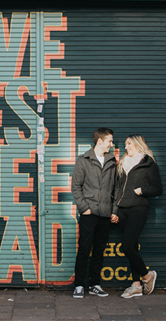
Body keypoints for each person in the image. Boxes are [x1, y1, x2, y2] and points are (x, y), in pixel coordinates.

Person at [112, 134, 163, 298]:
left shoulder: (149, 165)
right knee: (132, 247)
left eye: (129, 144)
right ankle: (136, 285)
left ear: (137, 145)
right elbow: (117, 190)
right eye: (126, 144)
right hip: (122, 210)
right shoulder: (122, 165)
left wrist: (142, 190)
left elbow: (158, 189)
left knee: (126, 247)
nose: (126, 147)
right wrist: (114, 210)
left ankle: (147, 276)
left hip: (138, 209)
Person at [71, 127, 117, 298]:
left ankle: (95, 284)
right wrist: (85, 208)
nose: (111, 145)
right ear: (100, 141)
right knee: (84, 248)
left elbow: (116, 188)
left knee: (99, 250)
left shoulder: (112, 161)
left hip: (105, 214)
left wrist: (113, 210)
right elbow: (76, 187)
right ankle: (79, 285)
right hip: (89, 214)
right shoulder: (83, 160)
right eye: (109, 141)